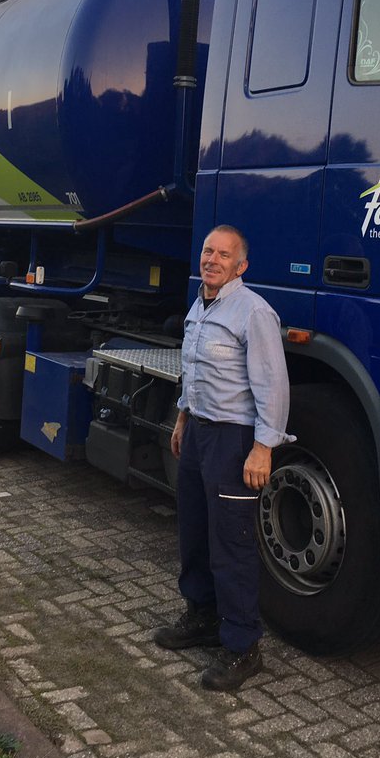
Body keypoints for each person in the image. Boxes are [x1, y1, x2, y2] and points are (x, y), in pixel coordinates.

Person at [154, 225, 294, 691]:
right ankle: (202, 617)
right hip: (198, 434)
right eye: (208, 251)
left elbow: (273, 384)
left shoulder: (253, 311)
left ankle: (242, 647)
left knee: (231, 542)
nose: (212, 259)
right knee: (193, 530)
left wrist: (262, 448)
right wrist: (181, 419)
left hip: (234, 441)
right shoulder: (202, 302)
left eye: (224, 254)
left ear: (241, 265)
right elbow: (193, 368)